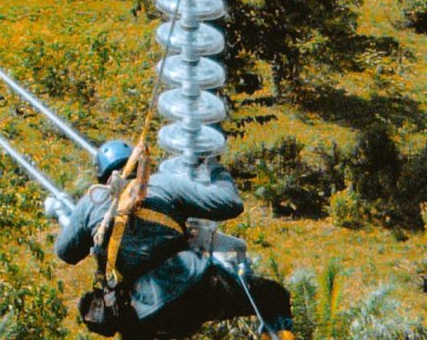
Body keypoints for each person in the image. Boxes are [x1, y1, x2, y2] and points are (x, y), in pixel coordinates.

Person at [53, 140, 297, 338]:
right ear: (140, 164)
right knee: (272, 297)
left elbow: (67, 253)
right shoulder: (161, 184)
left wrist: (79, 219)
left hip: (143, 313)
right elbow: (230, 205)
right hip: (195, 287)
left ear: (101, 176)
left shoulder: (91, 203)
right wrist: (216, 170)